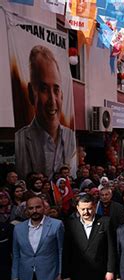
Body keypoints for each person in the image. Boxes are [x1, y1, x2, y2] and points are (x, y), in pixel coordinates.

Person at [15, 45, 77, 180]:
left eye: (56, 89)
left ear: (61, 94)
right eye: (43, 89)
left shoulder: (70, 137)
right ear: (31, 93)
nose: (52, 101)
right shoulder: (21, 139)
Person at [10, 196, 64, 280]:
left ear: (44, 208)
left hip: (50, 275)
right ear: (26, 211)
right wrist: (15, 278)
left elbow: (60, 251)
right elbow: (16, 254)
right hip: (26, 277)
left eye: (38, 207)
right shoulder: (18, 228)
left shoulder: (57, 225)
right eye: (31, 208)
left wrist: (61, 274)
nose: (34, 211)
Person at [62, 194, 115, 280]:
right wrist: (66, 277)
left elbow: (111, 249)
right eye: (83, 209)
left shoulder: (105, 222)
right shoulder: (70, 224)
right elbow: (66, 251)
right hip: (79, 276)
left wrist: (110, 270)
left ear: (95, 207)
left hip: (100, 275)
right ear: (77, 208)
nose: (86, 212)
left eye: (89, 208)